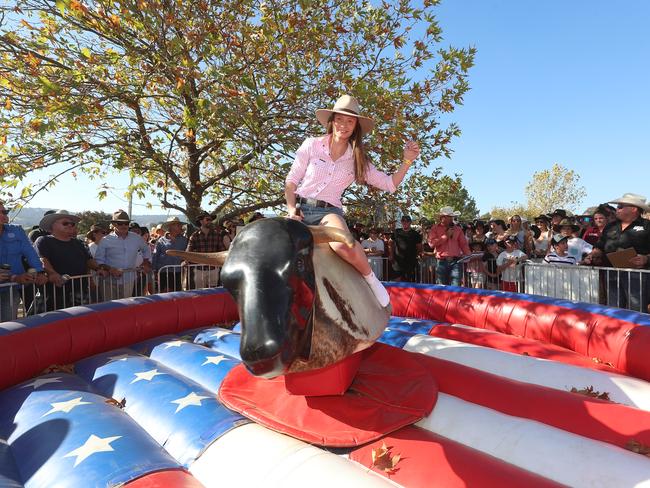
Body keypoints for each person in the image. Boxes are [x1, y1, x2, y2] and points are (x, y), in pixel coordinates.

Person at [285, 95, 420, 307]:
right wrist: (292, 209)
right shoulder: (311, 145)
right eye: (340, 119)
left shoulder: (358, 159)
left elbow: (389, 184)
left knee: (343, 244)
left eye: (350, 121)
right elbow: (291, 182)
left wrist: (407, 160)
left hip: (328, 213)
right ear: (332, 121)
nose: (344, 125)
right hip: (300, 209)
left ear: (356, 125)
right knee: (275, 246)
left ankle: (371, 280)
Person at [584, 193, 650, 312]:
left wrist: (646, 258)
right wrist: (592, 255)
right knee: (613, 308)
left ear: (634, 209)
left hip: (638, 276)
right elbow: (600, 246)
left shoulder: (647, 226)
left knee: (637, 310)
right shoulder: (610, 227)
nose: (617, 209)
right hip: (612, 274)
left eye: (620, 206)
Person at [33, 210, 101, 311]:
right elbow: (42, 259)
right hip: (53, 292)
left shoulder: (79, 243)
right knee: (50, 324)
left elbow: (88, 260)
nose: (70, 225)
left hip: (79, 290)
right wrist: (52, 273)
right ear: (53, 225)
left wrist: (98, 268)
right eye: (65, 223)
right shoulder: (43, 240)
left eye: (72, 223)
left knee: (79, 322)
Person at [0, 201, 48, 321]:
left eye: (5, 211)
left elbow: (30, 252)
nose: (4, 214)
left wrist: (40, 272)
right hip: (13, 280)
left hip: (10, 289)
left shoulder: (16, 231)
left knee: (8, 324)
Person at [95, 209, 152, 300]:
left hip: (128, 280)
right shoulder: (105, 240)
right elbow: (98, 260)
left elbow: (146, 249)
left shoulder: (136, 238)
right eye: (120, 223)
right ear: (114, 224)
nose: (124, 225)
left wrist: (145, 262)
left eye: (126, 223)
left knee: (125, 307)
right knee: (109, 308)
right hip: (108, 281)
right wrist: (110, 269)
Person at [427, 207, 470, 286]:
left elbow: (463, 244)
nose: (451, 219)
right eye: (449, 216)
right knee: (442, 287)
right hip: (441, 262)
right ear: (442, 217)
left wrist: (469, 255)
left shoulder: (458, 229)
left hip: (456, 262)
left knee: (456, 286)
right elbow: (431, 244)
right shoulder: (434, 229)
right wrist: (446, 236)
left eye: (452, 217)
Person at [187, 211, 225, 289]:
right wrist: (186, 260)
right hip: (199, 269)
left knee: (213, 292)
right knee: (200, 292)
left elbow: (222, 250)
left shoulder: (216, 235)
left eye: (211, 220)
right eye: (207, 219)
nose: (210, 221)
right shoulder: (194, 236)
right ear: (201, 221)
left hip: (213, 268)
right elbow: (189, 251)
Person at [152, 216, 189, 293]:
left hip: (178, 272)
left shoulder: (184, 240)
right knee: (163, 294)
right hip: (163, 272)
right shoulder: (161, 241)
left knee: (177, 293)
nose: (180, 227)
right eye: (177, 225)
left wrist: (185, 261)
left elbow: (187, 254)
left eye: (180, 225)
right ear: (170, 227)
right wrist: (154, 270)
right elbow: (155, 256)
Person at [391, 215, 422, 282]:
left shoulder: (416, 234)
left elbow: (419, 247)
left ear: (410, 222)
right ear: (401, 222)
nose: (405, 222)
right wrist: (391, 255)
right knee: (396, 280)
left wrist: (416, 255)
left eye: (407, 221)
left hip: (411, 262)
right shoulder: (396, 232)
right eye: (403, 221)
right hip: (398, 261)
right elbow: (391, 244)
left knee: (410, 281)